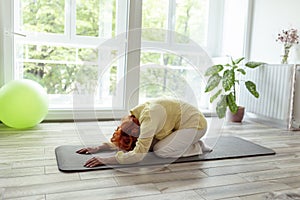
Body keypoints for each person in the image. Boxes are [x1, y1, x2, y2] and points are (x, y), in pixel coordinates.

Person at [76, 98, 210, 168]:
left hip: (196, 125)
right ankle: (186, 142)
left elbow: (138, 156)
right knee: (150, 145)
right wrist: (101, 147)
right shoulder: (135, 115)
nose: (134, 134)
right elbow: (127, 140)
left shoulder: (149, 119)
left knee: (160, 151)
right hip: (177, 126)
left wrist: (106, 160)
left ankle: (197, 146)